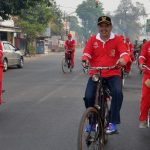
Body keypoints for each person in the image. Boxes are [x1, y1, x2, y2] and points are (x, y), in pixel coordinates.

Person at [82, 16, 130, 134]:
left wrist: (123, 59)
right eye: (101, 26)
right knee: (88, 96)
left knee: (118, 93)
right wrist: (85, 60)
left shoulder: (118, 39)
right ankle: (92, 122)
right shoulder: (92, 40)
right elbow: (86, 53)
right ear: (98, 27)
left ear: (110, 27)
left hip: (113, 73)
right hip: (96, 73)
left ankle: (112, 123)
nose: (104, 28)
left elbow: (125, 53)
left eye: (106, 26)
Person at [139, 41, 150, 128]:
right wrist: (142, 62)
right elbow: (142, 56)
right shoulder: (147, 45)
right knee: (145, 97)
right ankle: (143, 119)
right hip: (149, 75)